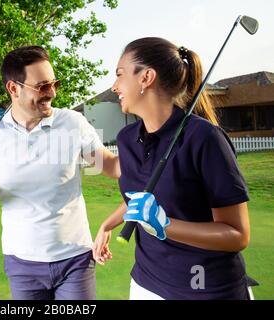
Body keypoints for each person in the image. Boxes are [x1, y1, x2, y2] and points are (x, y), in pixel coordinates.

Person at [0, 45, 120, 300]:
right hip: (22, 263)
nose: (52, 93)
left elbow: (112, 167)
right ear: (13, 89)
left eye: (54, 83)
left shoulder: (72, 122)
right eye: (42, 86)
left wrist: (152, 146)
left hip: (75, 259)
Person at [93, 37, 253, 300]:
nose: (114, 86)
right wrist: (107, 224)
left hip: (204, 288)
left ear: (146, 77)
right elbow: (142, 198)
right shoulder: (127, 139)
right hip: (146, 283)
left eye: (120, 75)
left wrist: (166, 225)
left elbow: (237, 235)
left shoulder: (205, 138)